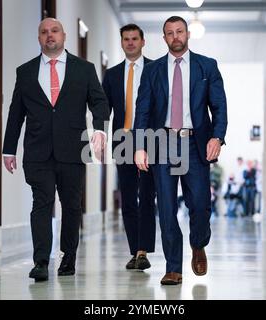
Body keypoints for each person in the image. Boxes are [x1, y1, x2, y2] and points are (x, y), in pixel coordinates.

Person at [2, 18, 109, 282]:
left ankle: (68, 257)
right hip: (37, 152)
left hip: (73, 150)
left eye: (54, 31)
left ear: (64, 35)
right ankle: (40, 262)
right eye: (44, 32)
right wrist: (8, 149)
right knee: (41, 203)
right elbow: (16, 113)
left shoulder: (84, 69)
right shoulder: (25, 72)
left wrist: (99, 129)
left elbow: (99, 101)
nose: (50, 36)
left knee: (71, 205)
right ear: (38, 38)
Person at [134, 16, 228, 285]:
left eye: (179, 32)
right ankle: (173, 266)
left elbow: (219, 107)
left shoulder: (206, 67)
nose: (175, 36)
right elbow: (142, 111)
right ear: (163, 38)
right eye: (169, 33)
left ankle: (198, 244)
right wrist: (140, 146)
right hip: (162, 142)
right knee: (165, 207)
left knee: (199, 204)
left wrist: (217, 138)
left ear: (187, 34)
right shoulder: (152, 71)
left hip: (195, 143)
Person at [102, 24, 156, 271]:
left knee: (146, 195)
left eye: (135, 38)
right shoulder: (112, 74)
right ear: (122, 42)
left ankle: (144, 250)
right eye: (126, 39)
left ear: (143, 41)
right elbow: (104, 109)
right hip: (122, 140)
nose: (131, 43)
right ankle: (135, 250)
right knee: (128, 198)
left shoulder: (157, 69)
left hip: (150, 139)